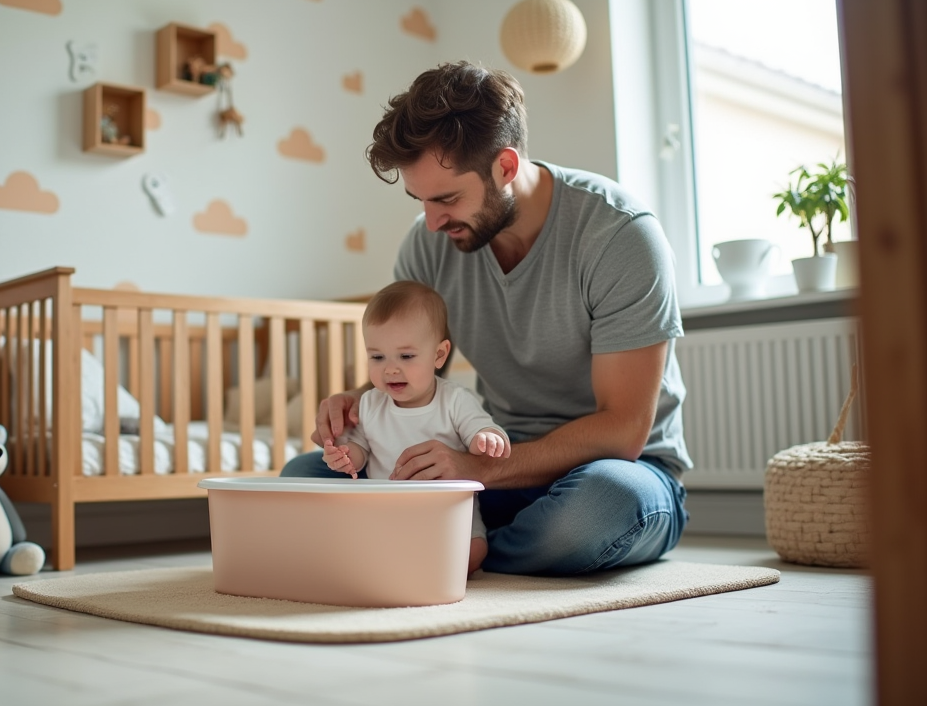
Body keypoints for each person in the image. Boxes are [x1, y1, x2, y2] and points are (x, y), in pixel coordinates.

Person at [281, 60, 693, 576]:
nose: (431, 222)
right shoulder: (429, 245)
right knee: (302, 474)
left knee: (597, 508)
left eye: (447, 198)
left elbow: (624, 429)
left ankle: (441, 550)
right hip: (491, 465)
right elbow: (422, 377)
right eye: (421, 201)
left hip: (620, 472)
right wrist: (366, 406)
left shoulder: (620, 236)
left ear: (505, 166)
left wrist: (478, 469)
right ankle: (473, 551)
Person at [321, 280, 510, 574]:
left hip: (447, 515)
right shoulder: (370, 404)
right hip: (387, 514)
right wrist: (344, 456)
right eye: (377, 357)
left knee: (473, 551)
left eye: (406, 356)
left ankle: (435, 568)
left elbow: (481, 428)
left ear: (439, 355)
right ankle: (397, 566)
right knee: (357, 540)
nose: (391, 368)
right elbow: (359, 452)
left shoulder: (455, 400)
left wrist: (487, 439)